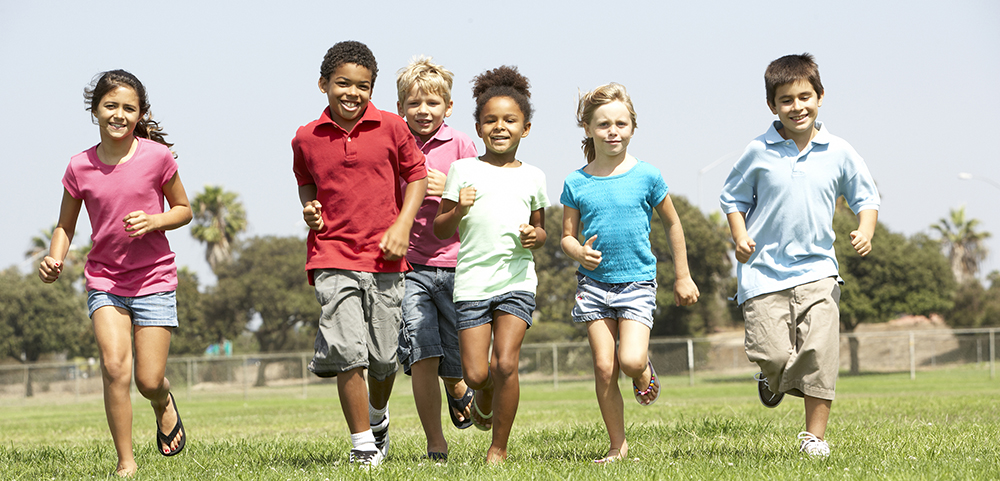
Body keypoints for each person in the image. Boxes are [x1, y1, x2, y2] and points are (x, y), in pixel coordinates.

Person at [719, 53, 880, 457]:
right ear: (772, 105)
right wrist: (740, 238)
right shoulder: (757, 151)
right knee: (771, 354)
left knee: (819, 352)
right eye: (786, 100)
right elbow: (732, 197)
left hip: (818, 270)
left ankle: (814, 438)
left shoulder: (839, 151)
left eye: (805, 96)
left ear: (820, 96)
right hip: (762, 274)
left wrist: (865, 229)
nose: (797, 107)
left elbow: (866, 196)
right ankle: (771, 379)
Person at [38, 69, 192, 477]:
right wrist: (55, 258)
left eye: (129, 108)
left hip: (154, 279)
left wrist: (155, 221)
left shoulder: (157, 158)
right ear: (95, 110)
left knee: (147, 379)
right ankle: (126, 462)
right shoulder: (79, 166)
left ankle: (162, 401)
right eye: (110, 106)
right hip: (105, 280)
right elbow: (64, 226)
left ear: (140, 114)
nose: (119, 114)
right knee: (114, 366)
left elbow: (184, 209)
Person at [292, 40, 428, 467]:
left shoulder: (392, 127)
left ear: (373, 89)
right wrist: (310, 210)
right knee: (347, 351)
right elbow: (306, 181)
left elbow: (417, 176)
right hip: (332, 254)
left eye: (363, 86)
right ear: (323, 84)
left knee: (385, 359)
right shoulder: (306, 137)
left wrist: (403, 226)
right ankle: (362, 446)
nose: (352, 92)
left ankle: (377, 416)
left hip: (386, 258)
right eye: (342, 84)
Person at [560, 83, 700, 463]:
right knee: (604, 368)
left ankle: (643, 373)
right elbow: (566, 238)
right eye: (603, 124)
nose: (613, 131)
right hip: (593, 286)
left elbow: (673, 224)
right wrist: (579, 252)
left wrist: (682, 276)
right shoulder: (576, 182)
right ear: (588, 128)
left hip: (637, 282)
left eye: (621, 123)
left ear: (633, 127)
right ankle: (617, 447)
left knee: (630, 361)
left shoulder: (648, 176)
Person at [433, 65, 549, 464]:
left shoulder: (534, 177)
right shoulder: (463, 170)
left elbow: (540, 230)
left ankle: (498, 448)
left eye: (510, 120)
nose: (500, 127)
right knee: (478, 375)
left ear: (526, 128)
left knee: (506, 363)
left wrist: (537, 238)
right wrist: (458, 206)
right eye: (491, 120)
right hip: (472, 284)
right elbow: (440, 228)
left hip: (517, 280)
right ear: (479, 127)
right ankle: (481, 401)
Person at [394, 56, 479, 461]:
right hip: (410, 268)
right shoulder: (393, 142)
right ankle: (435, 443)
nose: (423, 111)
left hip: (459, 264)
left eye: (432, 103)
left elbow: (481, 200)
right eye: (414, 103)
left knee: (459, 357)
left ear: (447, 107)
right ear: (400, 108)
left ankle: (457, 384)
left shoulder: (462, 145)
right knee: (422, 352)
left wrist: (451, 187)